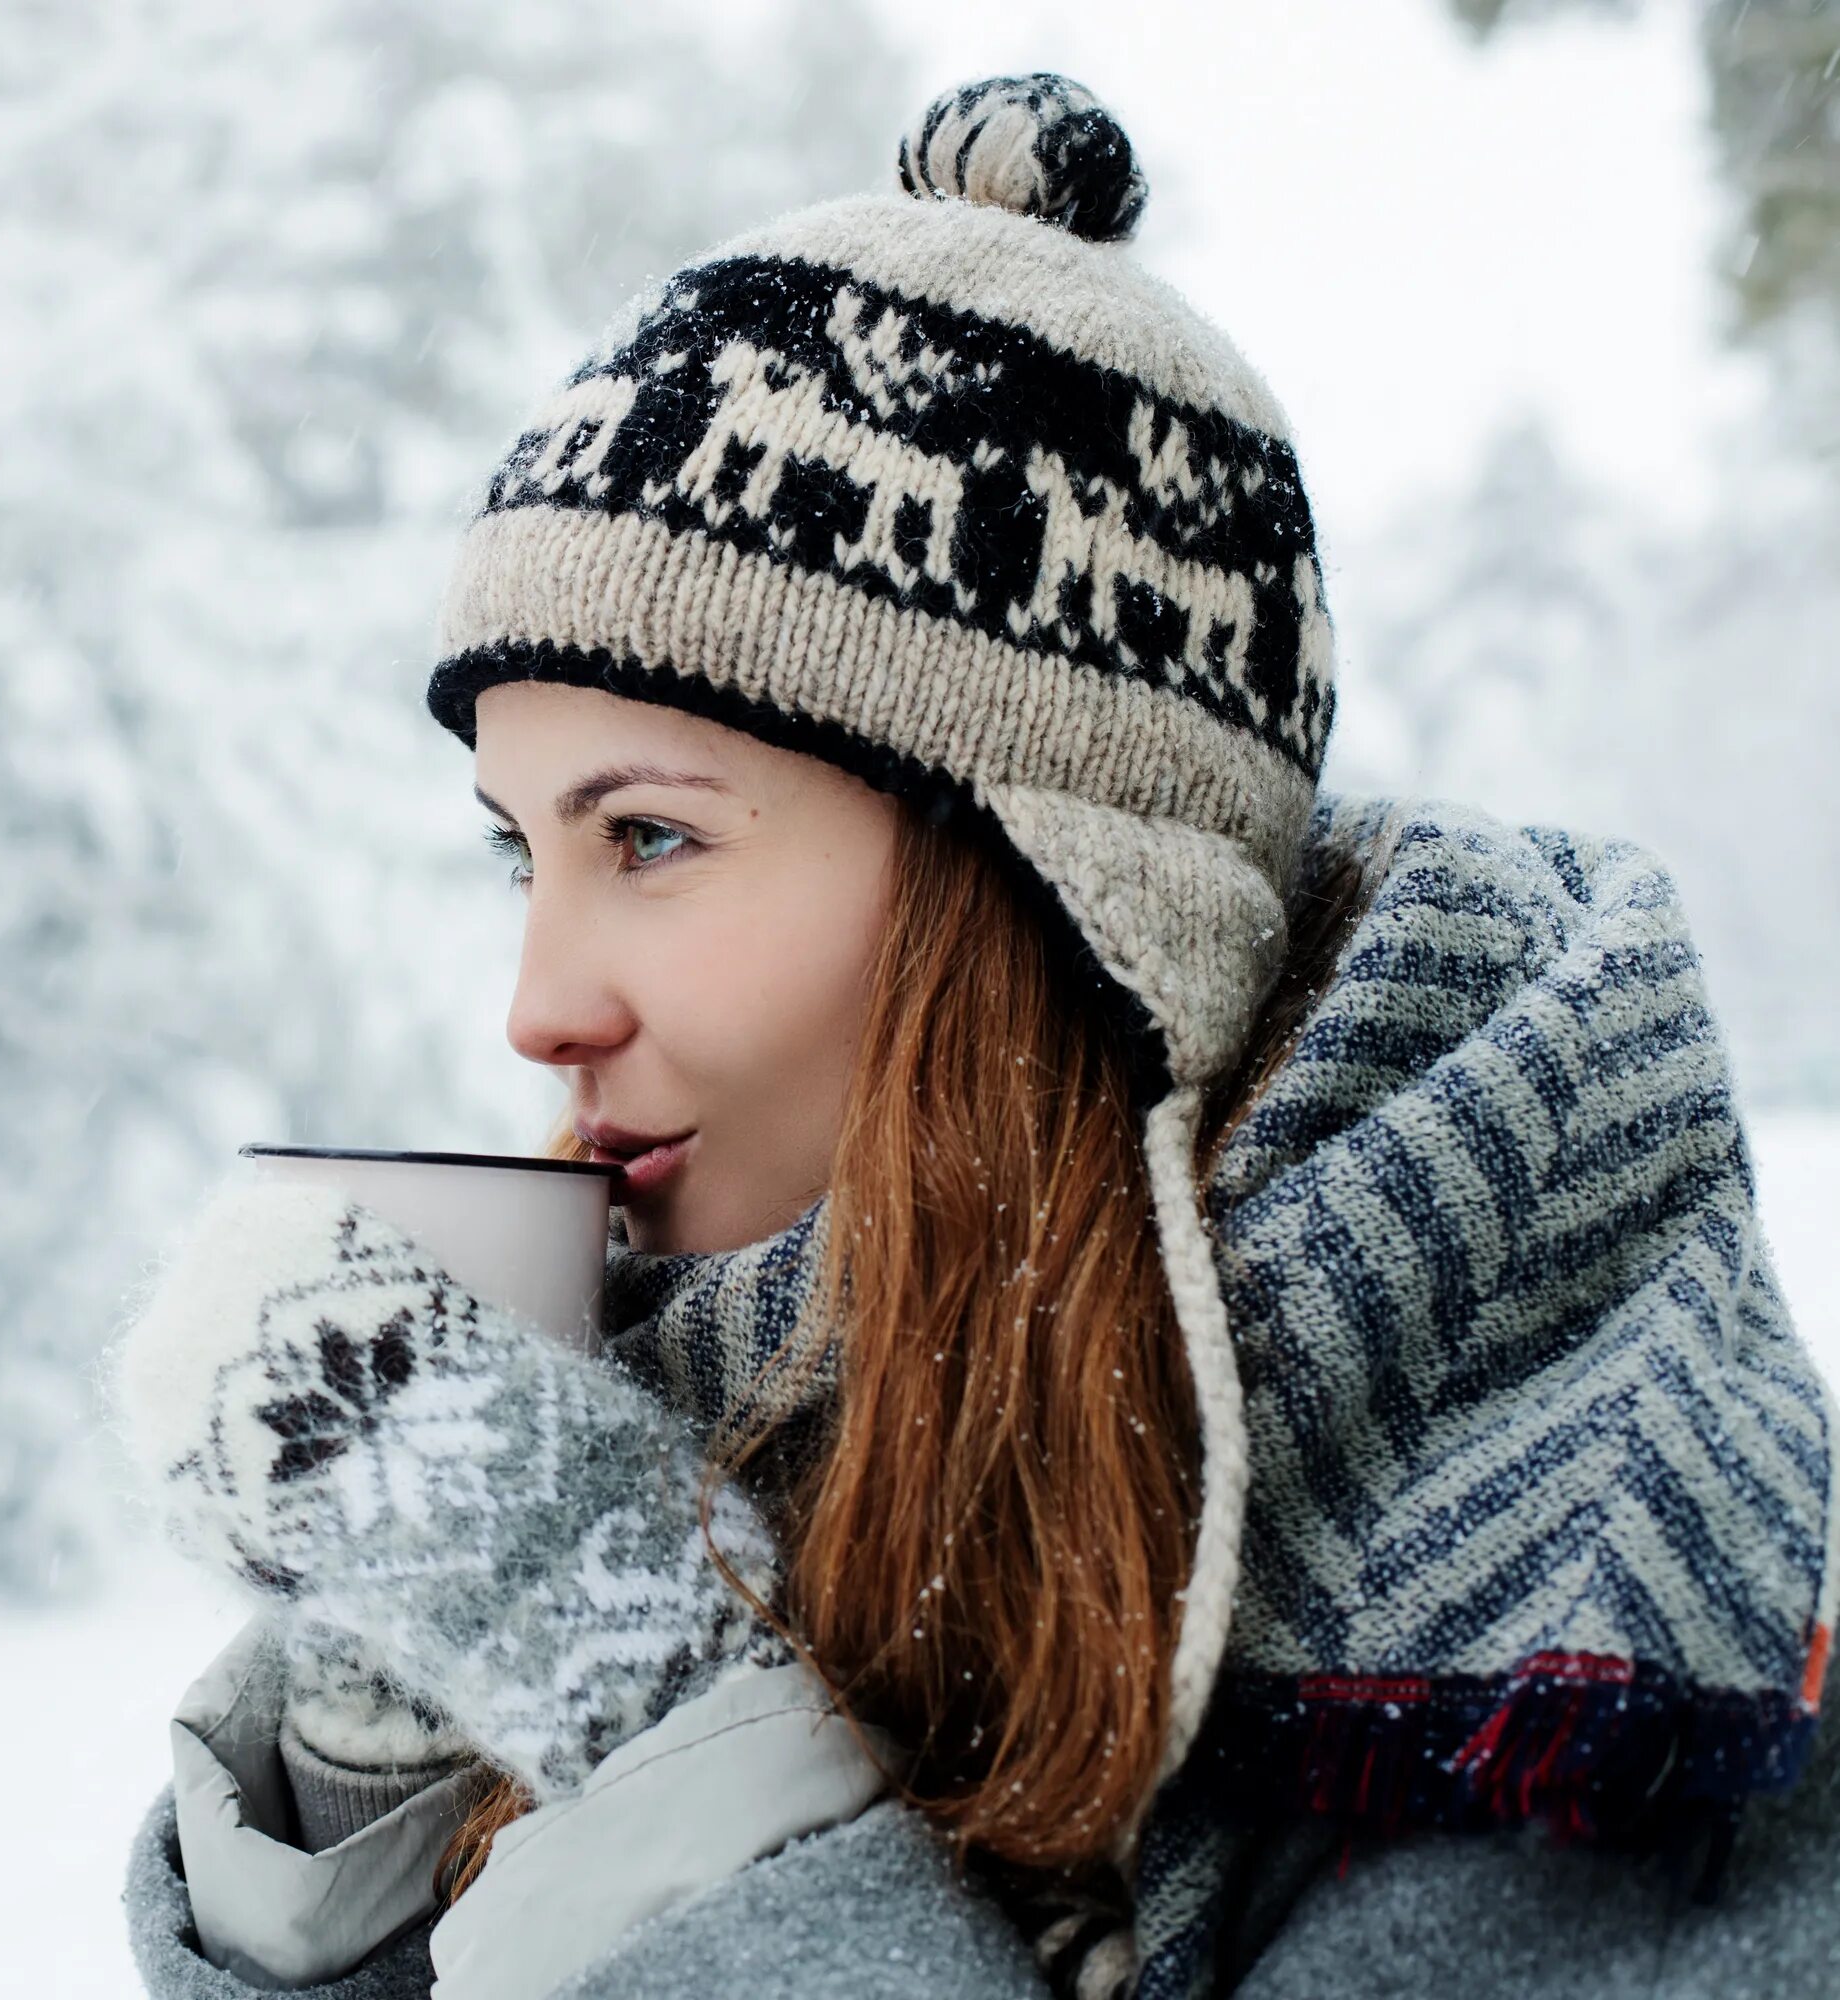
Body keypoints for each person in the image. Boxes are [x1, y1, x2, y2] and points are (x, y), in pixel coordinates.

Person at [99, 71, 1840, 2000]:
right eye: (524, 854)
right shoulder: (753, 1413)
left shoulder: (1578, 1622)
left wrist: (659, 1725)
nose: (539, 1005)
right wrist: (385, 1720)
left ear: (1055, 889)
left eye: (651, 836)